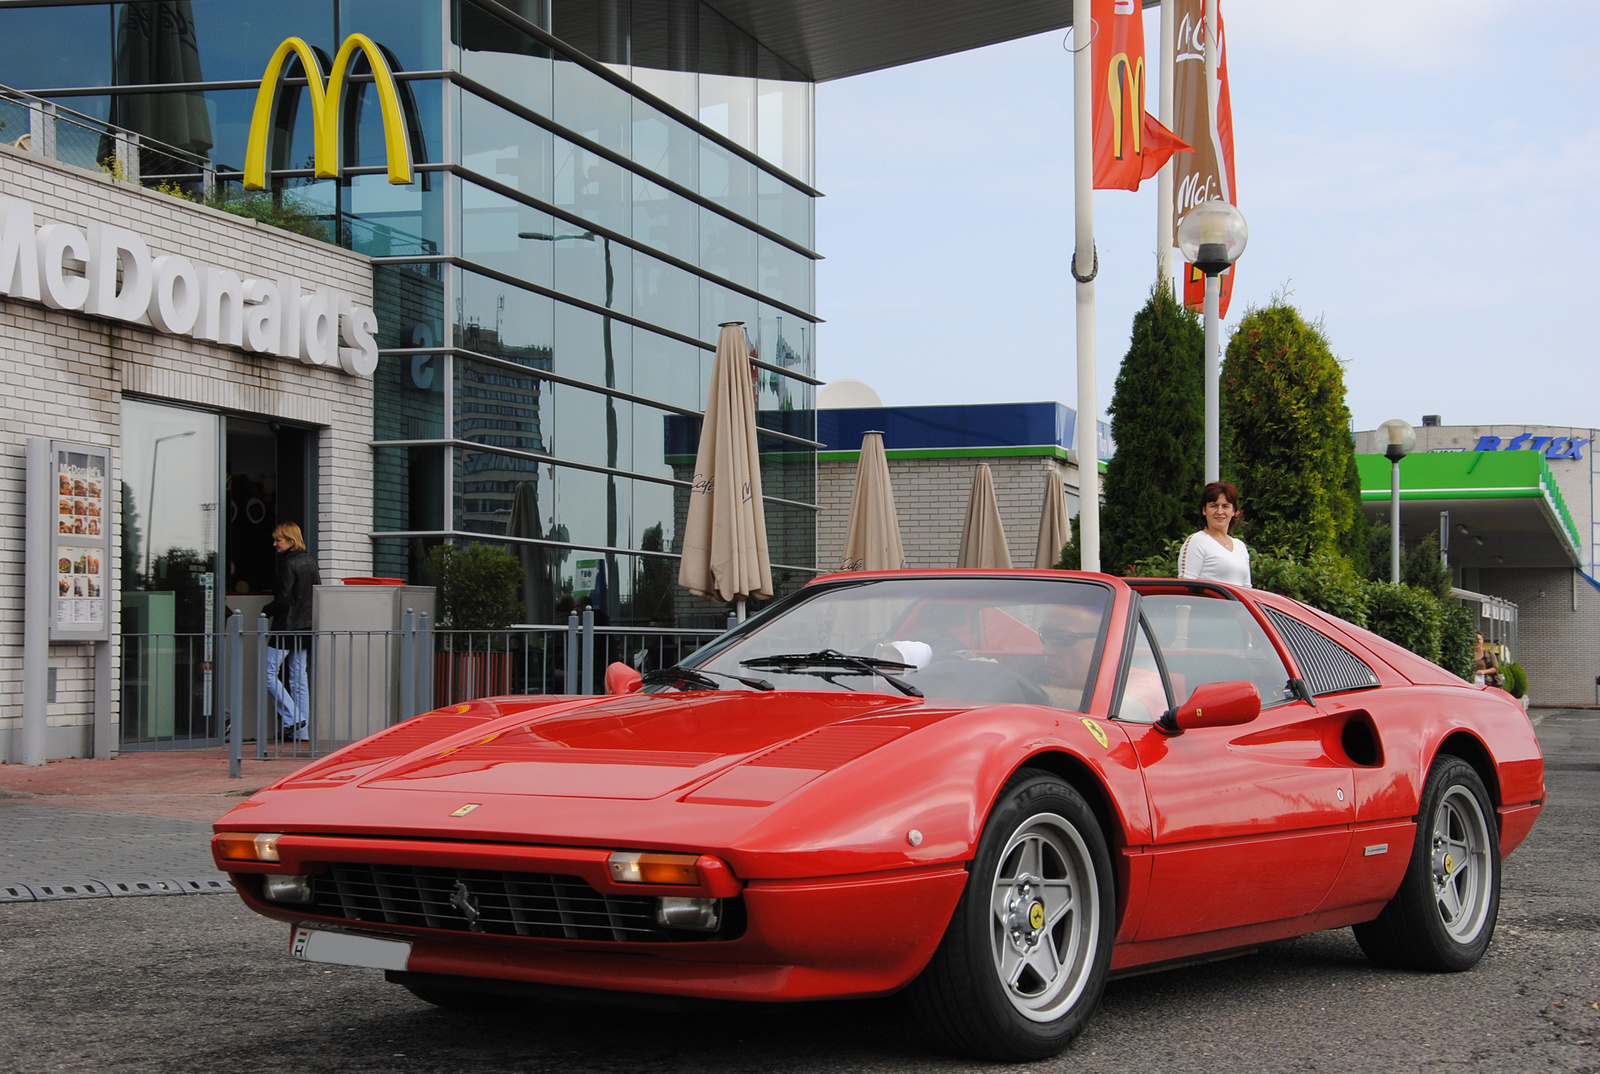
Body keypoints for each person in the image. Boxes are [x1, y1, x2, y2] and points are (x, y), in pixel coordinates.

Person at [263, 522, 320, 741]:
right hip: (305, 627)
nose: (275, 543)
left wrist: (265, 610)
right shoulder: (310, 562)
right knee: (299, 678)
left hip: (285, 627)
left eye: (279, 539)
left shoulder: (288, 564)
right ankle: (302, 732)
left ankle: (293, 718)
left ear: (291, 541)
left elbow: (283, 600)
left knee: (267, 673)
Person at [1178, 481, 1251, 586]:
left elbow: (1248, 589)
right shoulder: (1197, 541)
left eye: (1225, 506)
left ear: (1234, 511)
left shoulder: (1240, 546)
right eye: (1214, 506)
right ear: (1204, 510)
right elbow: (1185, 588)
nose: (1220, 511)